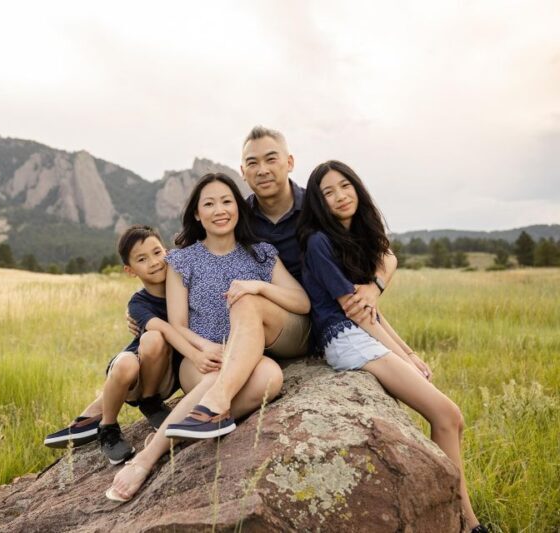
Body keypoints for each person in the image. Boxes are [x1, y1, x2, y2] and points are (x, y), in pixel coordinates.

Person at [155, 127, 398, 438]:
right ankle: (197, 421)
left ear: (290, 162)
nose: (263, 169)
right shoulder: (241, 215)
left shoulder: (316, 206)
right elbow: (197, 262)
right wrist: (145, 314)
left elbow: (383, 251)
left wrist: (374, 286)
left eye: (271, 159)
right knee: (247, 319)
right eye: (252, 163)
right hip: (259, 328)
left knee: (249, 304)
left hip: (312, 319)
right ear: (243, 172)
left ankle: (192, 420)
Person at [296, 160, 488, 533]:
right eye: (327, 192)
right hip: (344, 339)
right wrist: (404, 357)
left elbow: (372, 312)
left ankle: (464, 520)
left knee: (452, 418)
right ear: (318, 203)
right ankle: (468, 524)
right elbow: (358, 315)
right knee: (447, 415)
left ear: (357, 187)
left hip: (360, 333)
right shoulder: (320, 242)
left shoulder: (356, 239)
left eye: (345, 186)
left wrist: (410, 352)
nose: (339, 196)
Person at [106, 173, 310, 500]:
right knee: (214, 375)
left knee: (271, 377)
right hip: (201, 359)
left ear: (239, 209)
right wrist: (205, 348)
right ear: (197, 214)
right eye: (209, 203)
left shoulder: (261, 254)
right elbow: (179, 324)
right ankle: (149, 456)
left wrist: (258, 286)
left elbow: (301, 302)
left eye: (227, 201)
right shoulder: (182, 260)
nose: (220, 209)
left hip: (250, 357)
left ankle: (195, 421)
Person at [44, 225, 203, 465]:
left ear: (168, 252)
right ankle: (107, 426)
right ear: (130, 271)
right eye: (142, 259)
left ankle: (146, 404)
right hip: (135, 375)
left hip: (166, 377)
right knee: (150, 340)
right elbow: (163, 330)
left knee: (154, 339)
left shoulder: (186, 287)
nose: (153, 262)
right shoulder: (138, 303)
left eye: (157, 252)